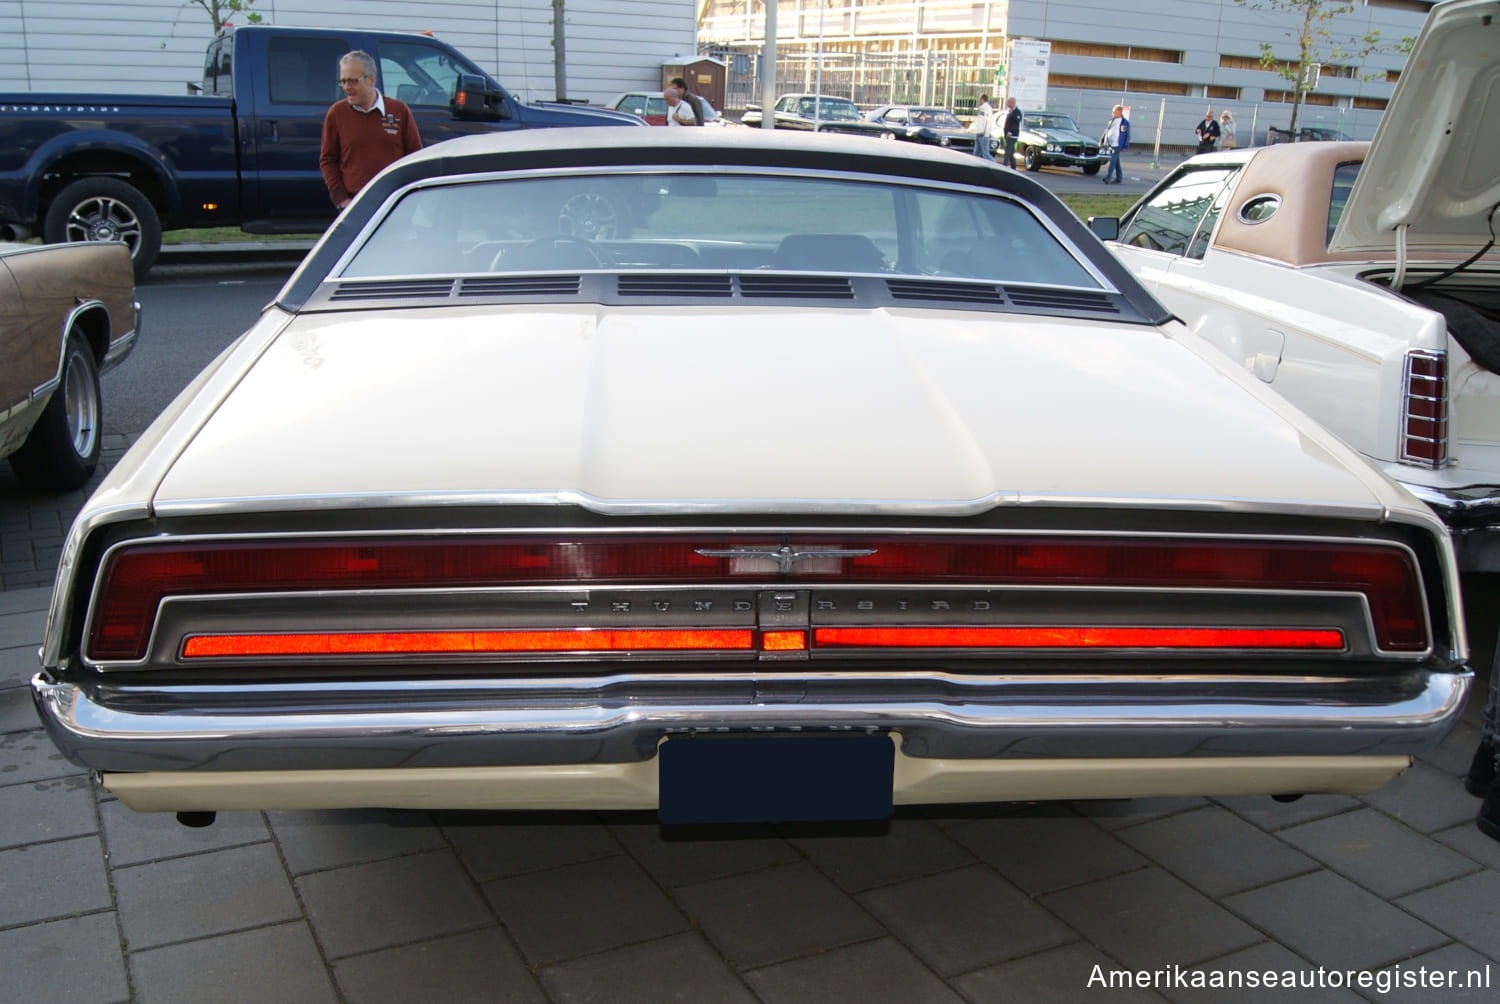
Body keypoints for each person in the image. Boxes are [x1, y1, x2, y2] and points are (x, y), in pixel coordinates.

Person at [319, 51, 422, 210]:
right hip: (354, 203)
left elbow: (415, 158)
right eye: (343, 81)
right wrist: (341, 199)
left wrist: (408, 198)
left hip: (394, 202)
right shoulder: (337, 113)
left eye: (353, 81)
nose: (347, 87)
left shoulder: (399, 111)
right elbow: (327, 160)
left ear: (371, 79)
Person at [1101, 104, 1129, 184]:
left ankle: (1108, 177)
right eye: (1112, 112)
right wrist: (1102, 140)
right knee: (1116, 162)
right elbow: (1106, 131)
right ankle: (1119, 178)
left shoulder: (1124, 122)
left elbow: (1127, 135)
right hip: (1111, 144)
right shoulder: (1111, 120)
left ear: (1119, 112)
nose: (1113, 113)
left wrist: (1125, 145)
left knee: (1112, 161)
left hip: (1117, 145)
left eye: (1114, 112)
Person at [972, 93, 995, 160]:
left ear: (982, 99)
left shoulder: (987, 108)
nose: (978, 101)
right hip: (979, 133)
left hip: (983, 134)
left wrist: (984, 132)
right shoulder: (981, 108)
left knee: (985, 154)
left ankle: (994, 165)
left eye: (979, 99)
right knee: (976, 153)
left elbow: (987, 122)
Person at [1002, 96, 1022, 168]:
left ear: (1012, 103)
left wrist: (1010, 132)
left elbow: (1016, 124)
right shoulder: (1011, 111)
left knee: (1007, 152)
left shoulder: (1017, 112)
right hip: (1008, 135)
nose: (1007, 104)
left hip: (1012, 136)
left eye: (1008, 102)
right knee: (1011, 153)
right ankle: (1013, 167)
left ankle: (1004, 168)